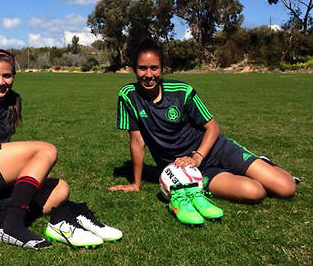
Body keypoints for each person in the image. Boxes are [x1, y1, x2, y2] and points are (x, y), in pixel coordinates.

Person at [0, 49, 121, 249]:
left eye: (7, 76)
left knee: (60, 189)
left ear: (13, 77)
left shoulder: (14, 101)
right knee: (46, 151)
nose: (1, 81)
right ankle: (13, 225)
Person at [109, 38, 297, 223]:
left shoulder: (181, 91)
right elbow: (137, 141)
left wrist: (197, 156)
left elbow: (212, 126)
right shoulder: (128, 96)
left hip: (215, 148)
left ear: (162, 69)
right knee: (255, 192)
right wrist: (136, 183)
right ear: (134, 69)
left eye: (154, 68)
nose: (148, 74)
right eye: (142, 68)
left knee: (286, 188)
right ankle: (231, 175)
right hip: (186, 170)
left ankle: (262, 163)